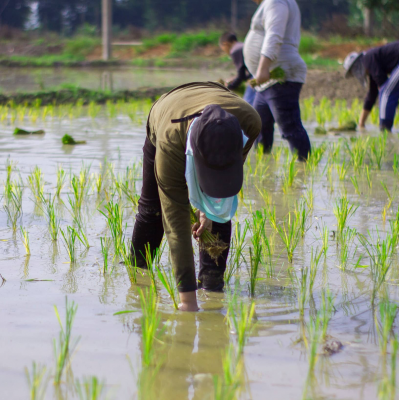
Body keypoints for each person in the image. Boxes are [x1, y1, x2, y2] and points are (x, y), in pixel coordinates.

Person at [130, 82, 261, 312]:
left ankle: (212, 287)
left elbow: (228, 172)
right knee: (153, 211)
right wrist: (187, 301)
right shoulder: (169, 141)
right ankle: (137, 273)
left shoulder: (250, 122)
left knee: (219, 214)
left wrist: (207, 210)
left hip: (211, 104)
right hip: (168, 114)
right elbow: (176, 225)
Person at [242, 0, 311, 161]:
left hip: (280, 76)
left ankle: (305, 168)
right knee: (259, 127)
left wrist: (263, 67)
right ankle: (264, 167)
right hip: (267, 82)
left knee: (290, 127)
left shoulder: (276, 2)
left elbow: (274, 34)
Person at [344, 41, 399, 132]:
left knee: (386, 92)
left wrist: (394, 104)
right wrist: (361, 123)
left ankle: (385, 131)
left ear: (357, 66)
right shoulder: (372, 62)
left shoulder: (368, 58)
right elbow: (372, 94)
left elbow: (383, 85)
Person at [219, 32, 256, 105]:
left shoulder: (235, 50)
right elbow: (245, 73)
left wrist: (228, 87)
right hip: (258, 74)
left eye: (223, 49)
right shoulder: (242, 46)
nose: (225, 52)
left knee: (247, 105)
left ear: (225, 44)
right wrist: (235, 78)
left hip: (256, 77)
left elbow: (241, 76)